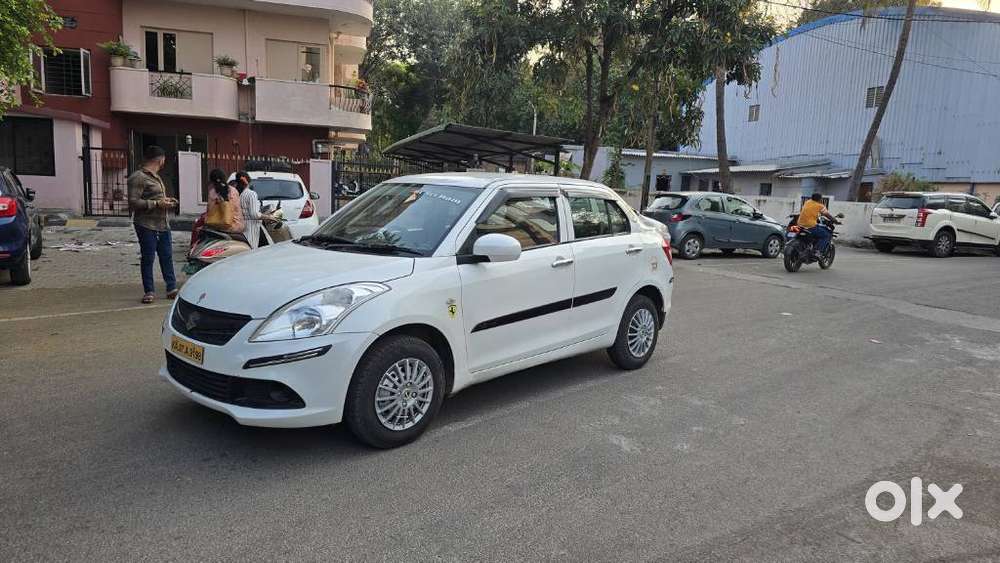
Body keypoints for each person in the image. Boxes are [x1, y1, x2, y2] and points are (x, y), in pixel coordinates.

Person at [128, 145, 178, 304]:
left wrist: (167, 201)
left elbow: (156, 198)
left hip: (162, 223)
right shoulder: (138, 177)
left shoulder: (156, 177)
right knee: (148, 257)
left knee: (166, 256)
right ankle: (149, 290)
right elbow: (133, 202)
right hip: (146, 224)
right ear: (161, 159)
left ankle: (171, 288)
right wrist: (156, 204)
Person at [233, 170, 271, 249]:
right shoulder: (251, 194)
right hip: (252, 227)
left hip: (241, 227)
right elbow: (254, 214)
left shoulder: (236, 194)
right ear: (248, 181)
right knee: (253, 250)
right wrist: (269, 217)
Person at [205, 168, 244, 235]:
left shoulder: (212, 193)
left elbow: (210, 212)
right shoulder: (234, 191)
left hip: (221, 226)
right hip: (238, 226)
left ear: (212, 181)